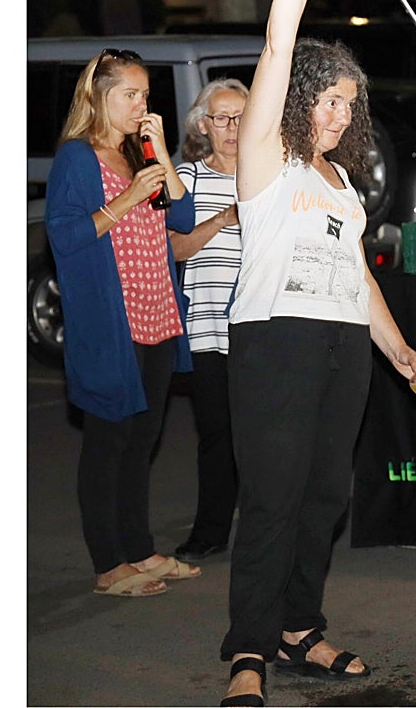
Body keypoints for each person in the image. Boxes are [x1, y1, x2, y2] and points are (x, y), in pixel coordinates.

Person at [218, 0, 416, 707]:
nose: (337, 116)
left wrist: (403, 355)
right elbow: (280, 43)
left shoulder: (342, 186)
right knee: (274, 495)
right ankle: (247, 646)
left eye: (348, 105)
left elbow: (360, 280)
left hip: (341, 346)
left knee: (324, 495)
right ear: (296, 104)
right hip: (273, 341)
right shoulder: (265, 162)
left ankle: (296, 627)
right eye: (325, 101)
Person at [45, 48, 202, 598]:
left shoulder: (141, 153)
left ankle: (140, 550)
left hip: (157, 314)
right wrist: (128, 198)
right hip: (113, 322)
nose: (141, 105)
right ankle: (110, 564)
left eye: (145, 95)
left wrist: (158, 154)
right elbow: (63, 235)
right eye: (129, 95)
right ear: (99, 95)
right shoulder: (77, 158)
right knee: (108, 443)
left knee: (142, 440)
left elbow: (181, 219)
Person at [169, 79, 249, 563]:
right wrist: (221, 220)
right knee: (217, 432)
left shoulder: (271, 175)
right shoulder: (187, 178)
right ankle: (211, 530)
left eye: (241, 116)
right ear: (203, 125)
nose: (232, 127)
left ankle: (269, 532)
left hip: (262, 325)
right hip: (207, 326)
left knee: (265, 436)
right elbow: (173, 249)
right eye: (221, 118)